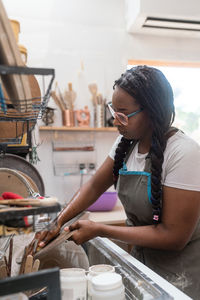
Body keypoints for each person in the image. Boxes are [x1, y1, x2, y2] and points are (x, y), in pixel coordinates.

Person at [32, 66, 200, 299]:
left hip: (180, 278)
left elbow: (174, 237)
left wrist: (100, 229)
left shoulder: (184, 152)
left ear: (152, 111)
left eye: (123, 114)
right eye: (113, 111)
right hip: (142, 266)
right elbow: (93, 187)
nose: (115, 121)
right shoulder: (126, 144)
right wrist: (57, 222)